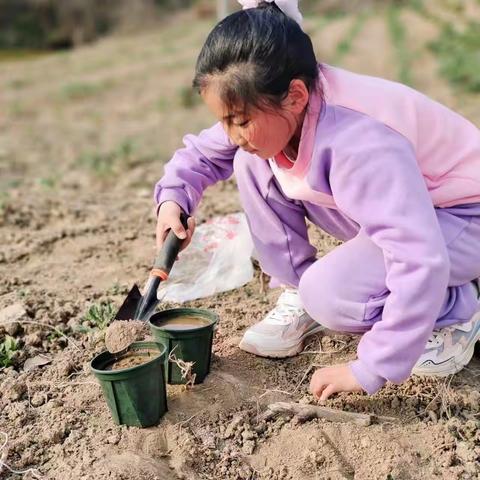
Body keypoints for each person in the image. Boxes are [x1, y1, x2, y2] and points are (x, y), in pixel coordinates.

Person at [154, 0, 480, 400]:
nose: (231, 133)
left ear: (295, 96)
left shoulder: (358, 142)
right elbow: (204, 154)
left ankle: (456, 309)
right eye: (225, 121)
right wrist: (173, 201)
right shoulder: (280, 99)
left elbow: (417, 256)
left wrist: (373, 365)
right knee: (252, 161)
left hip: (463, 214)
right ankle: (297, 290)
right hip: (411, 205)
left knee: (330, 295)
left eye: (238, 121)